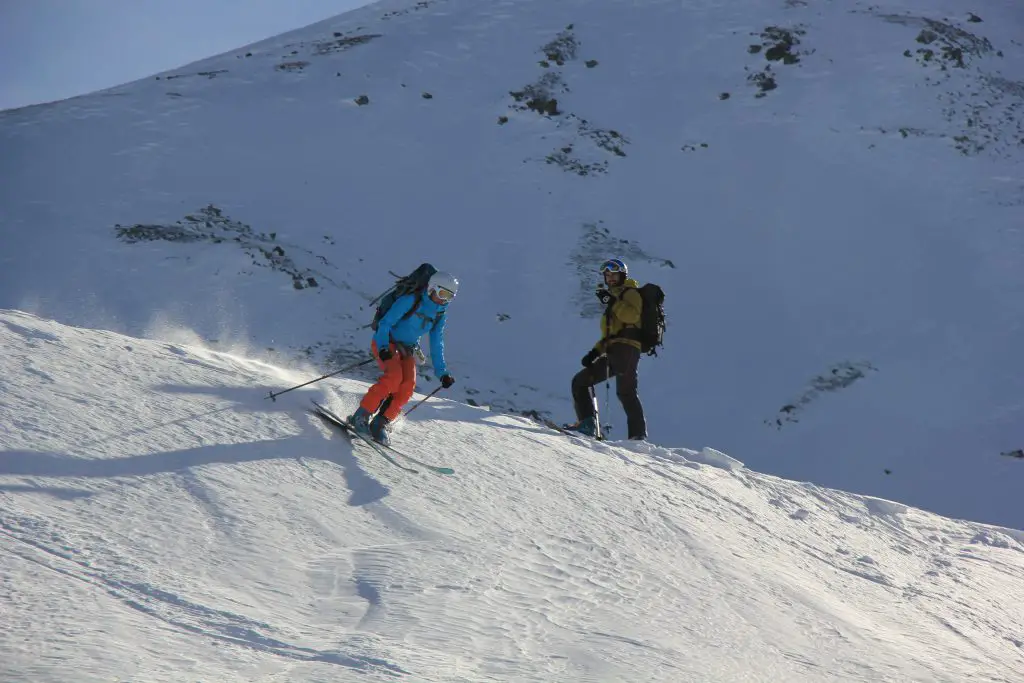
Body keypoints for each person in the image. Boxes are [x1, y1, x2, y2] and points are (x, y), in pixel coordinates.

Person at [348, 271, 458, 445]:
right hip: (386, 342)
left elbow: (437, 343)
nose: (445, 300)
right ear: (432, 288)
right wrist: (383, 347)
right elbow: (386, 323)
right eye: (443, 294)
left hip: (407, 349)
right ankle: (361, 416)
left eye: (450, 297)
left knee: (407, 387)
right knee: (393, 378)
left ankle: (380, 423)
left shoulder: (439, 315)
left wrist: (442, 372)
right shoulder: (411, 301)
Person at [568, 258, 647, 441]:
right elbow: (612, 333)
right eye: (607, 275)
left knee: (625, 391)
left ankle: (636, 437)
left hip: (627, 349)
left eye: (614, 274)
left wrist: (612, 301)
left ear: (623, 275)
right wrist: (595, 352)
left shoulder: (631, 293)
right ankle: (589, 425)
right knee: (581, 382)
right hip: (615, 350)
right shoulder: (615, 297)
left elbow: (631, 316)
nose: (610, 278)